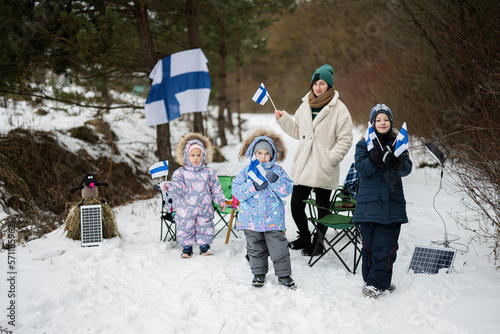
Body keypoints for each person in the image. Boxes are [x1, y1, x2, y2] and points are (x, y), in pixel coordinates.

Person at [275, 64, 353, 256]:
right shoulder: (305, 106)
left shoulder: (339, 109)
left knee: (322, 208)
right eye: (315, 83)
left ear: (329, 85)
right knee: (296, 205)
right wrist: (285, 119)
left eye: (322, 83)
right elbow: (299, 132)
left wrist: (331, 158)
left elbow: (345, 138)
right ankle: (304, 236)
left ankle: (318, 243)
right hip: (305, 165)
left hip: (324, 166)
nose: (318, 87)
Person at [352, 103, 412, 298]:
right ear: (372, 123)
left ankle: (377, 282)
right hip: (368, 207)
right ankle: (374, 280)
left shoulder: (398, 144)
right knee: (369, 247)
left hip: (391, 207)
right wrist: (374, 160)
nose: (382, 122)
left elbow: (406, 169)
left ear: (391, 122)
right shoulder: (363, 144)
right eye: (378, 120)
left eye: (386, 119)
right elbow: (362, 169)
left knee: (385, 248)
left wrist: (395, 162)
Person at [232, 129, 295, 289]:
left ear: (273, 154)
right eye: (259, 152)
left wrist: (276, 181)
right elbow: (237, 192)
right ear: (253, 153)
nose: (263, 156)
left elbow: (287, 190)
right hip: (250, 219)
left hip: (273, 219)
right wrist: (253, 186)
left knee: (279, 248)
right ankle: (258, 273)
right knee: (255, 248)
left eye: (267, 153)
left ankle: (284, 275)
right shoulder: (247, 172)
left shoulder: (277, 171)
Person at [161, 133, 226, 258]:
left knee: (205, 225)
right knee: (185, 226)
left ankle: (204, 246)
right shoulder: (181, 173)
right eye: (192, 155)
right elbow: (178, 186)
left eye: (198, 155)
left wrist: (220, 200)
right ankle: (187, 248)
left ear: (203, 156)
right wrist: (170, 186)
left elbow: (215, 188)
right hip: (186, 209)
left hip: (204, 207)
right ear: (186, 156)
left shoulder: (208, 172)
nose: (196, 158)